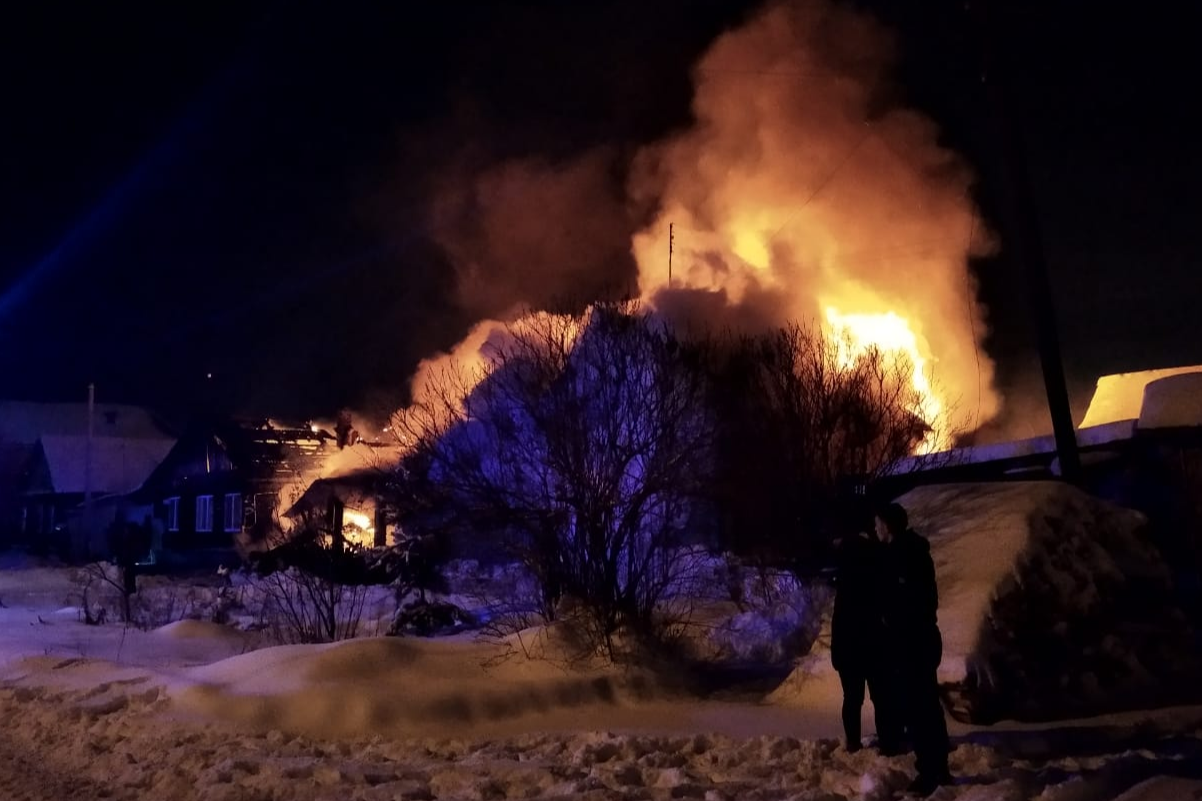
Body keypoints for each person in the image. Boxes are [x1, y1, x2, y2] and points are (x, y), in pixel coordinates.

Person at [875, 501, 952, 795]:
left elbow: (910, 602)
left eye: (878, 523)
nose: (875, 528)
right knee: (926, 705)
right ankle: (938, 766)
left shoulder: (905, 556)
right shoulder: (904, 553)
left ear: (889, 526)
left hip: (913, 642)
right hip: (915, 640)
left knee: (920, 707)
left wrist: (890, 619)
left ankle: (930, 771)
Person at [830, 513, 900, 753]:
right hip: (873, 645)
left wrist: (837, 653)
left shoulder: (846, 579)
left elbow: (840, 620)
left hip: (851, 648)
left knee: (853, 698)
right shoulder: (875, 568)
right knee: (881, 696)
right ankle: (889, 741)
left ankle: (853, 742)